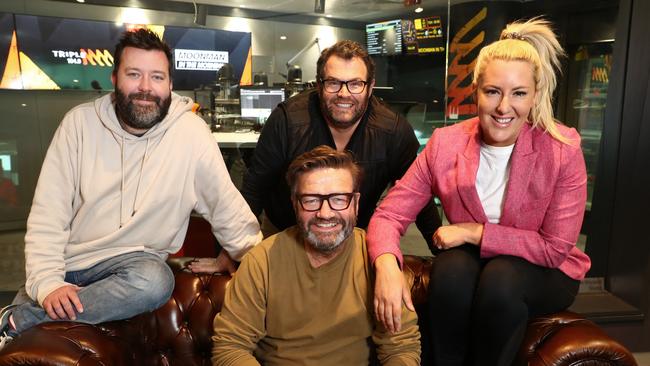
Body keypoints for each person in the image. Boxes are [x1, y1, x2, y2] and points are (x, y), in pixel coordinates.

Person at [0, 28, 262, 350]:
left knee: (156, 281)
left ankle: (21, 320)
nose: (145, 88)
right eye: (134, 74)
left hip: (133, 269)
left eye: (157, 77)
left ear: (169, 84)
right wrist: (49, 284)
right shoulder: (78, 124)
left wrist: (245, 255)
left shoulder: (191, 134)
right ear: (114, 78)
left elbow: (226, 205)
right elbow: (48, 215)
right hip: (70, 262)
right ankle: (24, 315)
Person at [368, 18, 590, 366]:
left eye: (518, 93)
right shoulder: (445, 144)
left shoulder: (563, 149)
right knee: (450, 273)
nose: (504, 108)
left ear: (535, 95)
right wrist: (385, 264)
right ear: (475, 90)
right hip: (476, 261)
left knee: (501, 280)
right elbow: (390, 214)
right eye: (492, 92)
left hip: (546, 269)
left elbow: (554, 249)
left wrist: (474, 232)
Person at [188, 39, 441, 273]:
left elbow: (417, 196)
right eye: (333, 82)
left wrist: (441, 255)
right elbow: (254, 190)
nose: (344, 93)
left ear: (370, 87)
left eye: (355, 83)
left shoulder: (393, 132)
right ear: (319, 85)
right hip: (284, 229)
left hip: (351, 235)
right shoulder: (287, 120)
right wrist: (227, 253)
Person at [212, 146, 421, 366]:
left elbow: (401, 349)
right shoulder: (261, 261)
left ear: (356, 203)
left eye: (339, 199)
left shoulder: (380, 262)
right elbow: (230, 347)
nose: (325, 213)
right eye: (311, 200)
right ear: (295, 204)